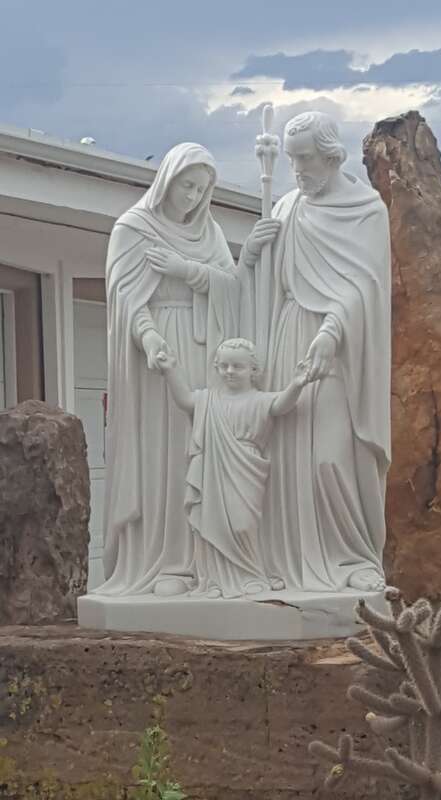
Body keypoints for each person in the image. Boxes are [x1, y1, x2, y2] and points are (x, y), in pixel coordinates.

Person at [240, 111, 391, 593]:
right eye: (289, 159)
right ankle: (284, 561)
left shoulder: (367, 210)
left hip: (337, 343)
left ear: (331, 156)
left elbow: (364, 285)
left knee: (329, 456)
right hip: (289, 335)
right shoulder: (286, 208)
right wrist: (254, 253)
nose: (297, 170)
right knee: (285, 455)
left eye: (304, 159)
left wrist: (331, 332)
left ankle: (351, 557)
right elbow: (268, 288)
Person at [99, 143, 241, 597]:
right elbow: (126, 301)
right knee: (162, 453)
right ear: (167, 179)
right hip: (156, 359)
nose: (193, 197)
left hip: (203, 352)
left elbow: (233, 288)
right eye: (187, 185)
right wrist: (149, 337)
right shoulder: (133, 229)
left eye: (201, 189)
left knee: (195, 451)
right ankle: (160, 560)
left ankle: (199, 560)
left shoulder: (211, 234)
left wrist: (188, 269)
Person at [155, 338, 316, 598]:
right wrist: (170, 369)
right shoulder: (208, 399)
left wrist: (297, 384)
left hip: (246, 466)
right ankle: (214, 581)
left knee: (243, 524)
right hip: (213, 465)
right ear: (217, 367)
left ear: (254, 371)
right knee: (209, 524)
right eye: (224, 366)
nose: (229, 371)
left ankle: (251, 575)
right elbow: (184, 400)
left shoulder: (260, 400)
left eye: (238, 366)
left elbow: (281, 405)